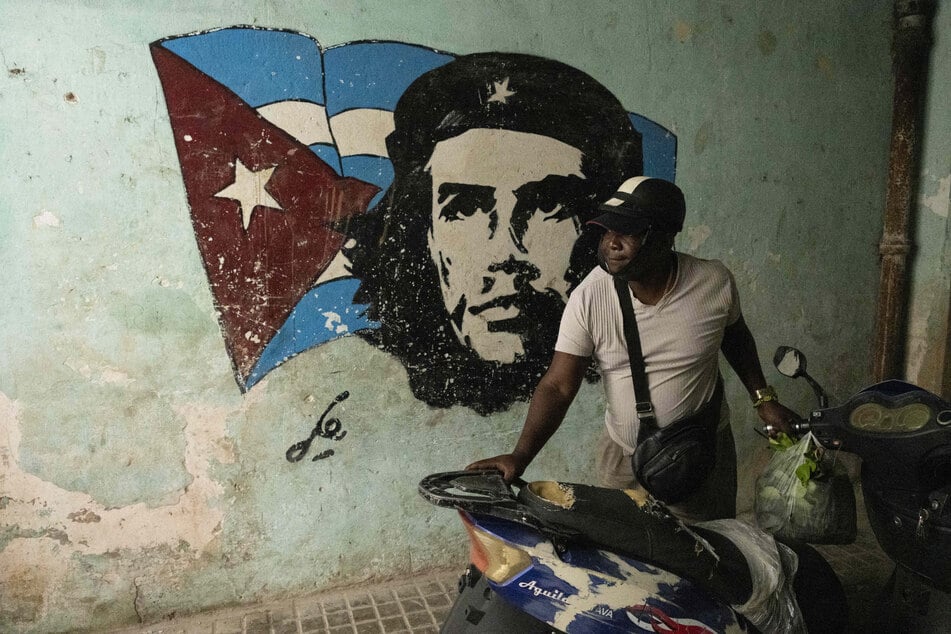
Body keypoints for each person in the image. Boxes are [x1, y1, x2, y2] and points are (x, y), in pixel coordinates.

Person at [468, 177, 799, 522]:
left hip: (700, 455)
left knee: (706, 554)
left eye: (627, 232)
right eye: (608, 231)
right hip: (621, 460)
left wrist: (764, 400)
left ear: (666, 237)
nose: (612, 243)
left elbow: (736, 337)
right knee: (626, 561)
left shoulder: (713, 283)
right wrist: (520, 456)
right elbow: (559, 385)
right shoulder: (590, 296)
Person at [344, 52, 643, 415]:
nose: (505, 253)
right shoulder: (343, 386)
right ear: (427, 236)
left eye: (547, 206)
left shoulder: (640, 370)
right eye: (465, 209)